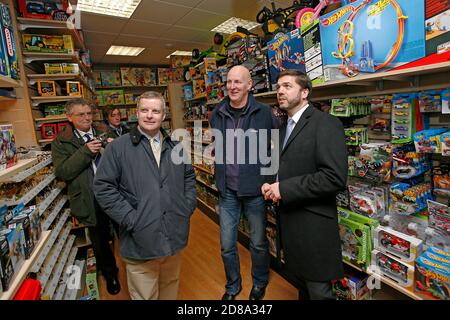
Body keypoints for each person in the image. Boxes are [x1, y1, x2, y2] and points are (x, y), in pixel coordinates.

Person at [93, 91, 196, 300]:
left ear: (164, 114)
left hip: (173, 236)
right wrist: (131, 219)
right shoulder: (118, 148)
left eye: (155, 111)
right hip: (140, 241)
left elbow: (188, 178)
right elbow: (103, 187)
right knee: (144, 295)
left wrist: (186, 207)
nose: (150, 115)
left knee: (170, 287)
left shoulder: (175, 147)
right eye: (144, 110)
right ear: (136, 113)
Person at [262, 70, 347, 300]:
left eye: (288, 86)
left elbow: (334, 177)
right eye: (279, 86)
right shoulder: (281, 129)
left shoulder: (326, 124)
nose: (280, 91)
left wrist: (284, 188)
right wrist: (270, 184)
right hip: (290, 223)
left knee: (319, 291)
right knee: (303, 287)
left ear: (305, 92)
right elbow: (285, 166)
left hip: (314, 227)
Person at [209, 65, 278, 300]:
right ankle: (233, 285)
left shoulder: (264, 113)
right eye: (229, 82)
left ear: (250, 85)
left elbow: (275, 149)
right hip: (227, 190)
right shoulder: (216, 113)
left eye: (238, 82)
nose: (232, 86)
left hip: (255, 191)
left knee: (258, 243)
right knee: (227, 245)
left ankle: (259, 283)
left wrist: (268, 181)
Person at [51, 98, 120, 295]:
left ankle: (137, 268)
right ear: (69, 117)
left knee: (126, 231)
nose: (87, 118)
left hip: (115, 194)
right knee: (99, 241)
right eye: (81, 114)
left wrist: (117, 147)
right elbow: (63, 172)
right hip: (89, 199)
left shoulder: (104, 131)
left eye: (89, 113)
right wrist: (85, 151)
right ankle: (110, 275)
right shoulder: (60, 142)